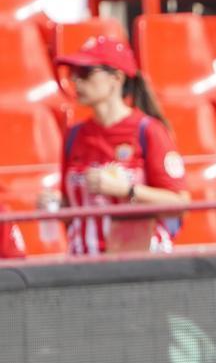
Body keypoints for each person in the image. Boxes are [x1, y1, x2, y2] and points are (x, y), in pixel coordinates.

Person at [46, 36, 189, 255]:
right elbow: (73, 210)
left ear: (116, 78)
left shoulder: (148, 130)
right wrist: (54, 204)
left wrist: (127, 191)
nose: (76, 81)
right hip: (83, 265)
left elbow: (180, 204)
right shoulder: (73, 136)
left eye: (85, 73)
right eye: (73, 73)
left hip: (139, 264)